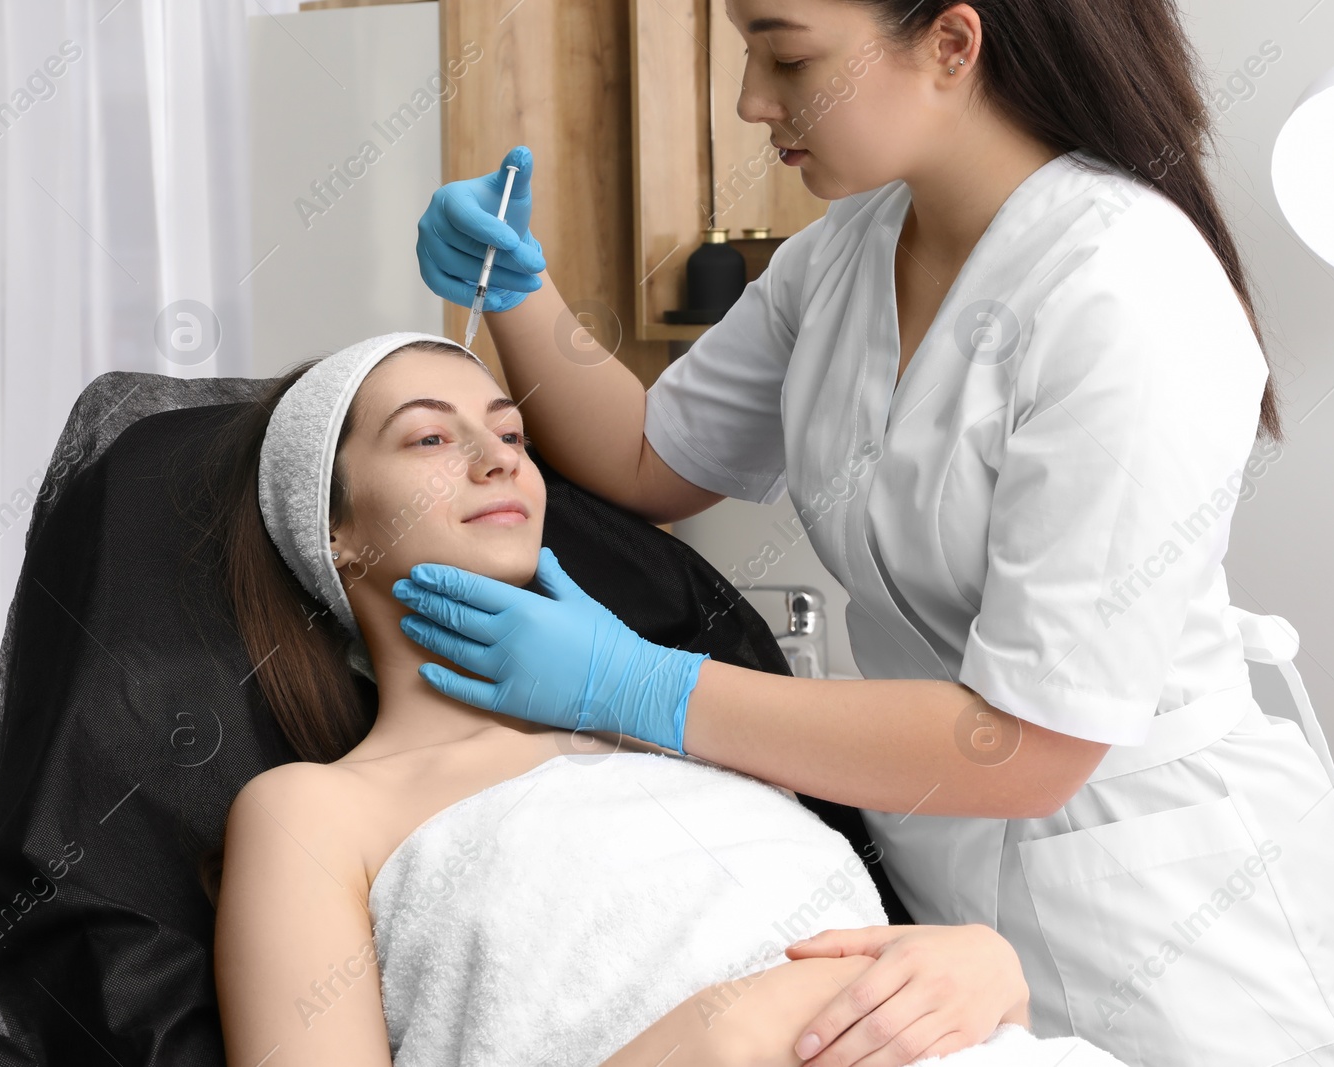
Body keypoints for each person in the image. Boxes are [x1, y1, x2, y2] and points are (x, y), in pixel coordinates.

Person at [410, 1, 1334, 1064]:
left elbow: (1024, 743)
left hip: (1179, 919)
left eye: (785, 56)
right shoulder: (840, 256)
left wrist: (634, 683)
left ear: (951, 42)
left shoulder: (1126, 287)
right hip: (947, 913)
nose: (753, 100)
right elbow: (653, 459)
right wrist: (516, 290)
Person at [209, 333, 1130, 1067]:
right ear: (333, 528)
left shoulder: (668, 726)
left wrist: (987, 969)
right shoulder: (313, 813)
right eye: (430, 437)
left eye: (512, 435)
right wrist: (717, 1040)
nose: (497, 460)